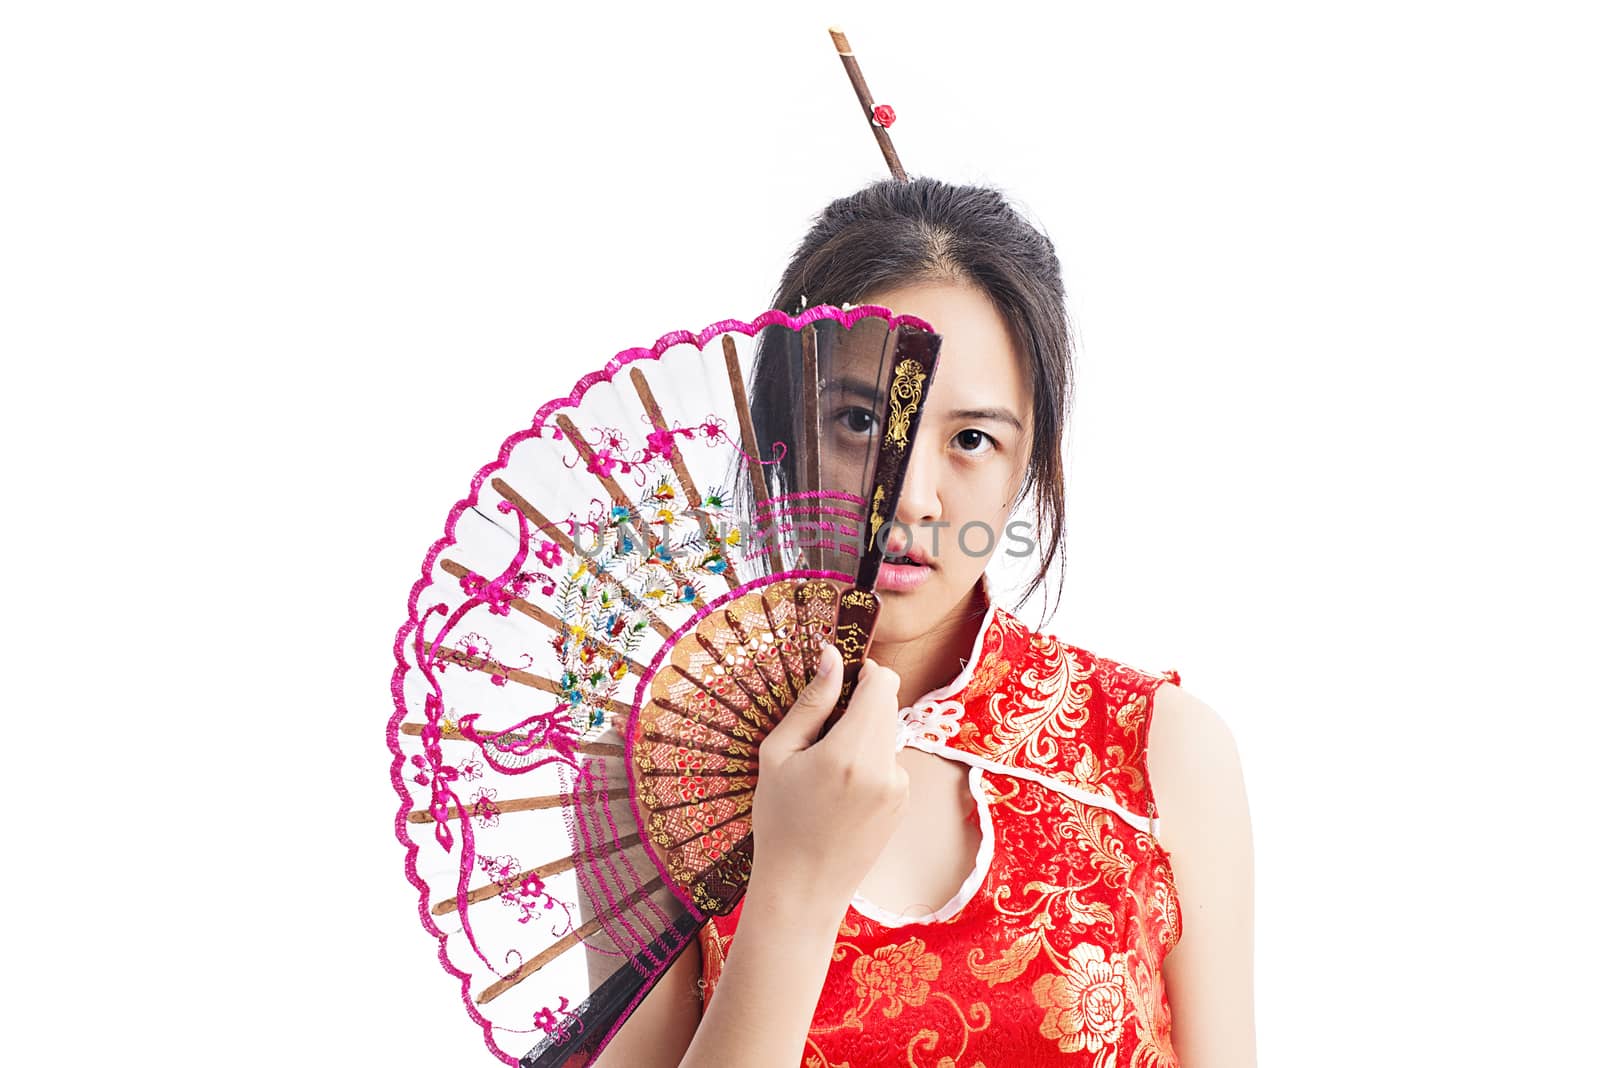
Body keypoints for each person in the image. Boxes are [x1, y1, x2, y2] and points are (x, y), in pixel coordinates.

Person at [594, 177, 1255, 1066]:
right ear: (785, 428)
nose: (909, 498)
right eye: (861, 420)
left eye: (972, 439)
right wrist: (793, 888)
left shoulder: (1154, 751)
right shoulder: (662, 766)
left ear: (1032, 464)